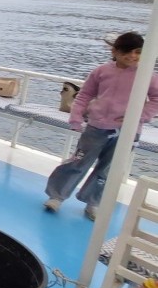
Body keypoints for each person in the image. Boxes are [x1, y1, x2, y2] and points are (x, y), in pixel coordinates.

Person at [45, 32, 158, 220]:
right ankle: (56, 196)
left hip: (127, 132)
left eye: (138, 52)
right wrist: (76, 118)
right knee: (78, 162)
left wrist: (138, 116)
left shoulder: (148, 76)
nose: (132, 56)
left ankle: (93, 202)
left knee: (108, 170)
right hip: (96, 128)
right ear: (115, 51)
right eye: (127, 51)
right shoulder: (101, 71)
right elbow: (84, 95)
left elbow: (156, 99)